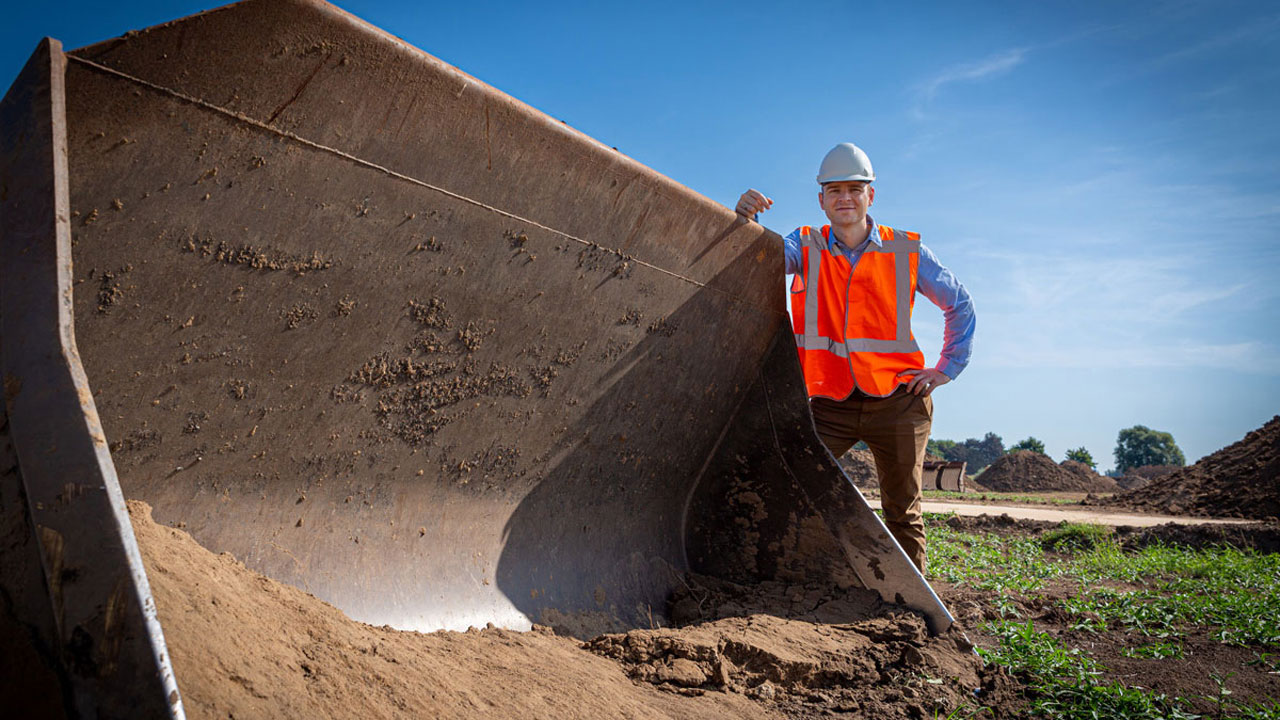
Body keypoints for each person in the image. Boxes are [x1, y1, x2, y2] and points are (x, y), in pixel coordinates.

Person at [735, 142, 974, 573]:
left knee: (903, 511)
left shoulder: (906, 251)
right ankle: (795, 577)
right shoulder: (804, 245)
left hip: (900, 403)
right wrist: (744, 222)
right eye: (834, 190)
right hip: (831, 403)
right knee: (793, 485)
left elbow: (959, 305)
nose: (845, 197)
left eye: (854, 188)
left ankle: (915, 610)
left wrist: (946, 369)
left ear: (870, 196)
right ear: (821, 200)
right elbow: (758, 259)